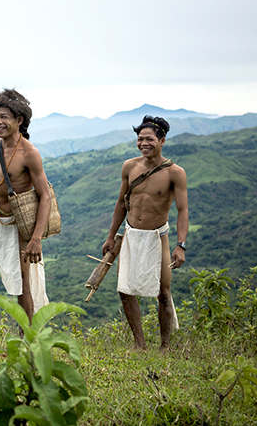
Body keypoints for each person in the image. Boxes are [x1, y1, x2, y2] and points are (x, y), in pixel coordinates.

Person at [101, 115, 188, 351]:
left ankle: (165, 346)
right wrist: (111, 236)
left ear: (162, 141)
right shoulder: (129, 166)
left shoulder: (175, 172)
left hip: (157, 235)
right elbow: (121, 203)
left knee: (163, 291)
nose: (143, 143)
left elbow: (183, 210)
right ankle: (139, 344)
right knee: (125, 289)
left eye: (149, 139)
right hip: (131, 235)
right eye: (140, 139)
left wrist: (181, 245)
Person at [0, 89, 50, 345]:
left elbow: (45, 197)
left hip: (20, 226)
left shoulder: (29, 153)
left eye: (3, 117)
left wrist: (36, 238)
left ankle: (27, 340)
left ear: (19, 120)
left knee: (22, 284)